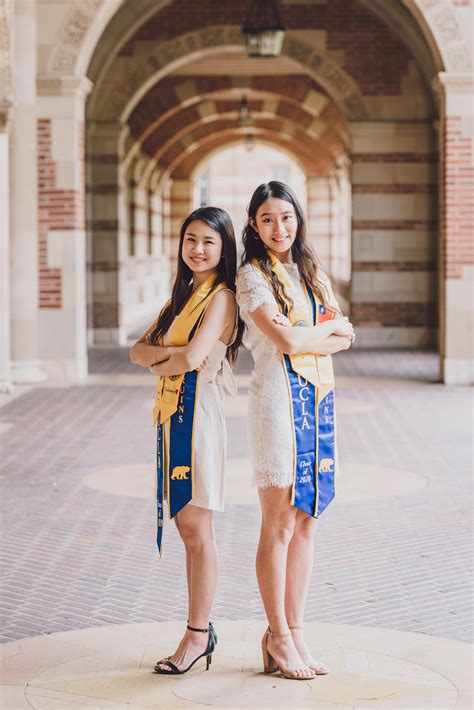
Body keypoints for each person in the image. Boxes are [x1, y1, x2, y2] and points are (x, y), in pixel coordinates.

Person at [235, 181, 355, 681]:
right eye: (267, 219)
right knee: (279, 523)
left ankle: (296, 632)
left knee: (306, 520)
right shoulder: (250, 276)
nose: (278, 228)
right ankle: (276, 634)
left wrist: (312, 336)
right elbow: (282, 340)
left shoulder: (312, 272)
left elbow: (348, 333)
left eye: (286, 217)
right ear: (253, 226)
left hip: (318, 401)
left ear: (298, 220)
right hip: (276, 405)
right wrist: (316, 335)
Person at [129, 206, 242, 675]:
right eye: (190, 239)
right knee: (186, 527)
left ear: (224, 249)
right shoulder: (184, 295)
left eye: (208, 242)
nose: (198, 249)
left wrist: (166, 357)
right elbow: (137, 350)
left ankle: (198, 635)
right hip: (171, 414)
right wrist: (167, 358)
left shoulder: (221, 298)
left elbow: (194, 357)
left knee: (198, 530)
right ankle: (199, 629)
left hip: (198, 416)